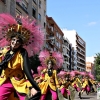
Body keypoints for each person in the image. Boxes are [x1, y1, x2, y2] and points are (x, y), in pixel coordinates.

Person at [0, 13, 44, 100]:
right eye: (13, 40)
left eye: (18, 41)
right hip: (5, 81)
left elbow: (27, 71)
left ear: (21, 43)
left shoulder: (22, 53)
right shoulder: (4, 51)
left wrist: (32, 86)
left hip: (19, 82)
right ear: (10, 40)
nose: (15, 43)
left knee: (31, 97)